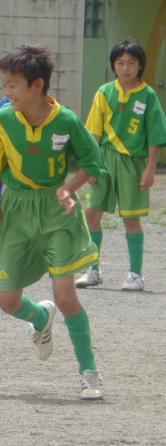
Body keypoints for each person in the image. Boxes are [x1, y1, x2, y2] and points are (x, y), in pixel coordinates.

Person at [0, 44, 107, 400]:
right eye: (5, 84)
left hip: (56, 212)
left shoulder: (66, 121)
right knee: (7, 302)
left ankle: (89, 372)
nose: (7, 91)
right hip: (15, 209)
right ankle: (40, 319)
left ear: (37, 86)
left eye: (13, 85)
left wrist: (68, 189)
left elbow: (91, 164)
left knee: (66, 297)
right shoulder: (3, 119)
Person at [76, 39, 166, 291]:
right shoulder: (105, 92)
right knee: (92, 213)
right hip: (104, 159)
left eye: (131, 63)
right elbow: (94, 132)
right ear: (113, 65)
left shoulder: (148, 95)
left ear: (140, 66)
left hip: (133, 163)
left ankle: (136, 275)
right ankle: (93, 270)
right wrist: (90, 166)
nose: (125, 68)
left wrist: (150, 168)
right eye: (120, 63)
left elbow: (155, 134)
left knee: (131, 217)